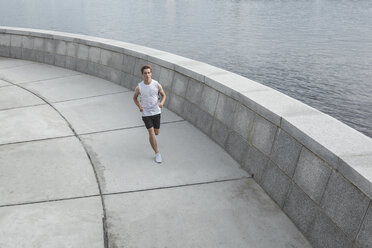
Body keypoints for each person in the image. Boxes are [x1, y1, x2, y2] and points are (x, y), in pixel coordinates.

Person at [133, 65, 166, 163]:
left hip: (156, 112)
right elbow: (134, 98)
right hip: (146, 113)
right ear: (142, 75)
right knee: (151, 133)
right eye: (145, 73)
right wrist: (139, 107)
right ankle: (157, 153)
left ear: (151, 73)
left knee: (156, 133)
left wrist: (161, 103)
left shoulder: (156, 84)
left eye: (148, 73)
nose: (147, 75)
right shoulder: (139, 87)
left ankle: (154, 142)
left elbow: (164, 95)